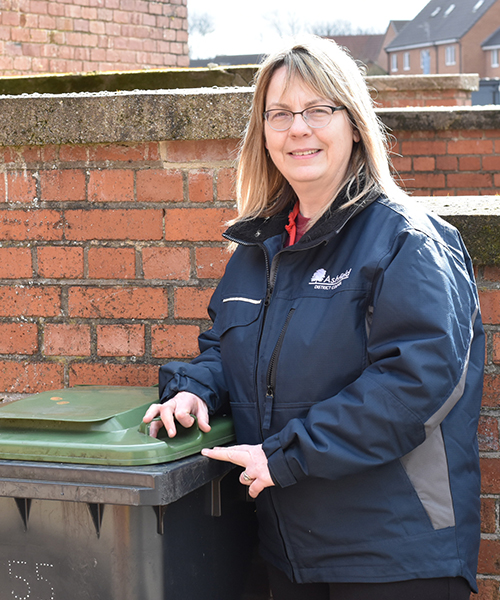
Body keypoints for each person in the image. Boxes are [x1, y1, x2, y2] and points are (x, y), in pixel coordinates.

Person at [143, 36, 484, 600]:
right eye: (279, 114)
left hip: (394, 556)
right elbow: (225, 352)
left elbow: (414, 384)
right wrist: (195, 391)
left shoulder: (408, 241)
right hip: (290, 549)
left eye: (317, 109)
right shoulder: (259, 253)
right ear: (264, 134)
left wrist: (286, 455)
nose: (297, 128)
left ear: (353, 123)